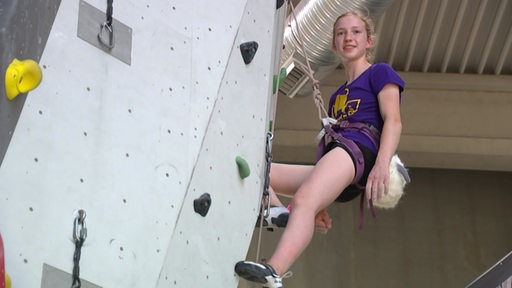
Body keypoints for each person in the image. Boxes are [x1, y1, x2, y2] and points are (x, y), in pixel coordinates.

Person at [235, 10, 405, 288]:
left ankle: (273, 269)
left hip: (362, 151)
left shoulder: (379, 73)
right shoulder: (339, 95)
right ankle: (279, 211)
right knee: (261, 171)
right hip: (342, 158)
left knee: (304, 199)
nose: (348, 37)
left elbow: (394, 121)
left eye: (356, 32)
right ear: (334, 44)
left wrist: (381, 164)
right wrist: (319, 200)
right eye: (341, 33)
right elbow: (332, 153)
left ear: (368, 41)